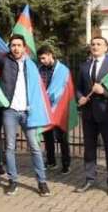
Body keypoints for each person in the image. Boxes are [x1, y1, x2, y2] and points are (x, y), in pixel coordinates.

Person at [0, 32, 51, 197]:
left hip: (29, 112)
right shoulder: (5, 61)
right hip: (10, 111)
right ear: (10, 47)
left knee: (35, 147)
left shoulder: (32, 65)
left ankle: (42, 182)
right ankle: (13, 181)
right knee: (9, 147)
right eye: (13, 45)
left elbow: (37, 89)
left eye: (18, 45)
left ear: (24, 47)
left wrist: (36, 108)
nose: (15, 48)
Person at [74, 36, 108, 197]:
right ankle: (89, 179)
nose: (95, 46)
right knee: (89, 149)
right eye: (93, 44)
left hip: (106, 114)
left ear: (106, 47)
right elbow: (78, 87)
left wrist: (104, 92)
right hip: (88, 115)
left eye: (99, 44)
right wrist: (79, 97)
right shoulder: (84, 66)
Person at [37, 45, 71, 175]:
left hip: (59, 107)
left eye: (44, 58)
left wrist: (47, 97)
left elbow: (62, 88)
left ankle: (66, 164)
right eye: (40, 59)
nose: (42, 61)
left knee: (62, 138)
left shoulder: (63, 70)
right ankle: (51, 161)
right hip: (45, 108)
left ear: (51, 55)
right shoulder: (39, 69)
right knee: (48, 136)